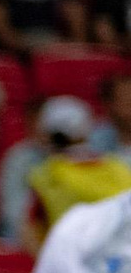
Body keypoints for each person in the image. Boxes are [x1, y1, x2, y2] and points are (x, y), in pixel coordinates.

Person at [24, 96, 131, 245]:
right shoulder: (120, 167)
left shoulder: (46, 175)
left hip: (66, 257)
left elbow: (30, 231)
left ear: (47, 132)